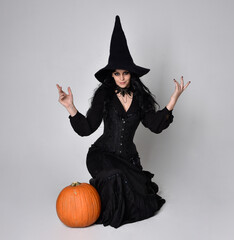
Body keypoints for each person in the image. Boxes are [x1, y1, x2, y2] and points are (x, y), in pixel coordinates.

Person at [56, 16, 190, 228]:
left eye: (125, 73)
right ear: (112, 75)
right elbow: (87, 128)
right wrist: (70, 107)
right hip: (101, 155)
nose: (121, 78)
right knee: (114, 175)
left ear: (131, 74)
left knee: (139, 191)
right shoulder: (104, 95)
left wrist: (172, 101)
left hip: (128, 158)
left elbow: (155, 125)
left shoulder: (140, 99)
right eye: (117, 73)